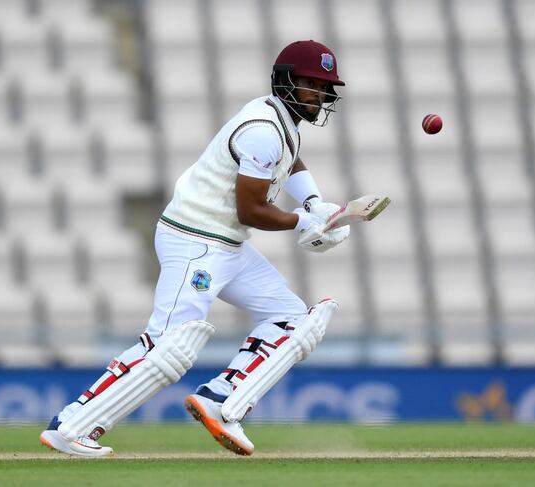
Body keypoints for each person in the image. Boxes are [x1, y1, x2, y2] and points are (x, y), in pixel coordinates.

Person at [39, 40, 351, 457]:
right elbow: (250, 209)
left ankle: (221, 400)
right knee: (169, 344)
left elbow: (290, 161)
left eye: (324, 87)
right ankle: (71, 426)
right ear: (286, 81)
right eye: (311, 84)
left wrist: (314, 203)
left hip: (226, 243)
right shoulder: (262, 129)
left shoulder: (283, 124)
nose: (319, 95)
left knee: (292, 320)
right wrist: (302, 222)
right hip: (196, 240)